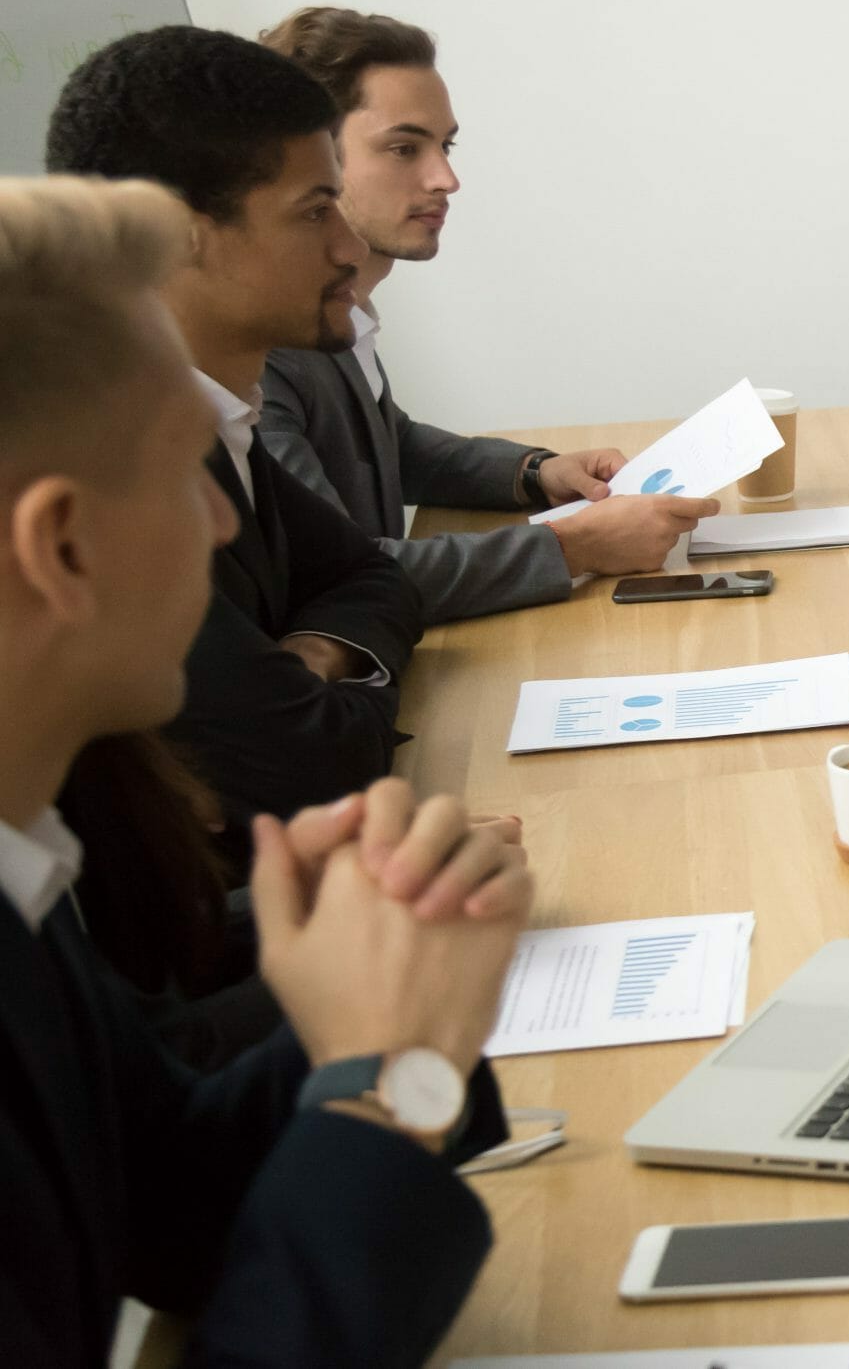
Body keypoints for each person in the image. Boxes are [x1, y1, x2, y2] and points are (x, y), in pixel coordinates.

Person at [0, 174, 530, 1367]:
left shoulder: (19, 875)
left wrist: (402, 1003)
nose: (228, 523)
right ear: (61, 547)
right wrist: (385, 1083)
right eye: (190, 468)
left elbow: (171, 1204)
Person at [46, 25, 423, 846]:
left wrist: (318, 655)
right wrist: (327, 695)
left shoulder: (217, 424)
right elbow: (315, 762)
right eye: (315, 210)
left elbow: (372, 573)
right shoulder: (117, 477)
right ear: (177, 232)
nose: (348, 243)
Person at [256, 7, 715, 623]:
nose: (446, 178)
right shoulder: (258, 355)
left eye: (444, 146)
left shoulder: (340, 315)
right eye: (403, 147)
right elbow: (337, 576)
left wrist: (537, 473)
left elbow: (391, 446)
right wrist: (575, 544)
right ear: (312, 158)